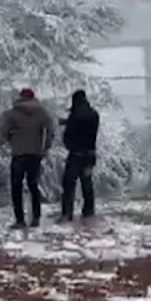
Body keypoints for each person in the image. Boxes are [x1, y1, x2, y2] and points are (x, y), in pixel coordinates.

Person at [1, 88, 55, 228]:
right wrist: (45, 147)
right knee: (33, 185)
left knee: (17, 187)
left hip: (18, 153)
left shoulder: (12, 113)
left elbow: (4, 132)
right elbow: (50, 130)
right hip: (35, 154)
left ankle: (20, 220)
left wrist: (13, 141)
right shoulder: (42, 113)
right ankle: (36, 217)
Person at [60, 89, 100, 222]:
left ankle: (67, 213)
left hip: (76, 155)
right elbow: (85, 125)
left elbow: (69, 134)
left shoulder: (74, 115)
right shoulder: (94, 114)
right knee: (87, 183)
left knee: (69, 183)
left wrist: (69, 144)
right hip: (89, 154)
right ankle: (88, 211)